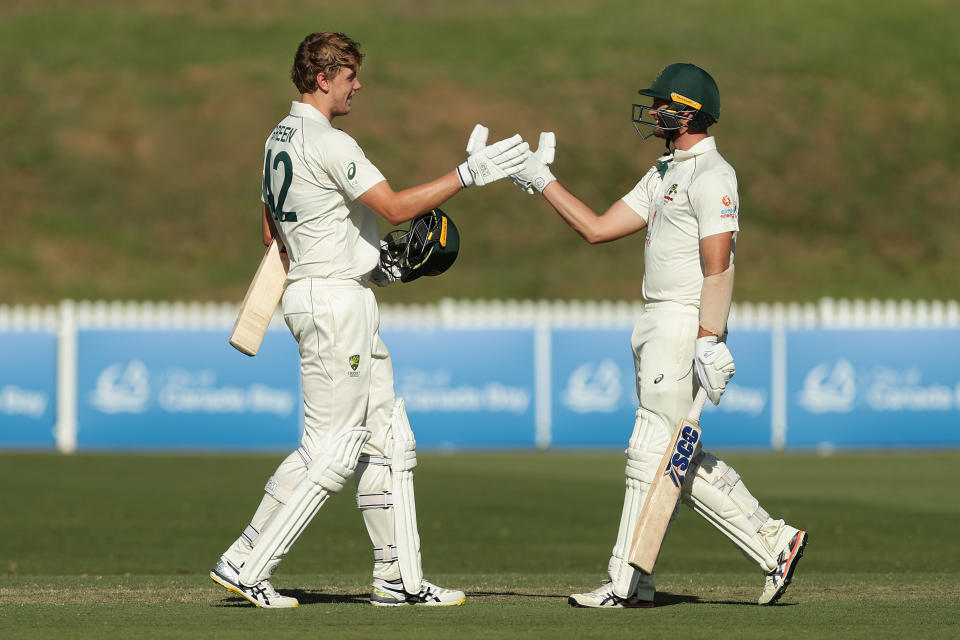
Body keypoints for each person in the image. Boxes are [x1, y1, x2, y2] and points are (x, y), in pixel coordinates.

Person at [209, 31, 528, 608]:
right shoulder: (330, 143)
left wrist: (369, 263)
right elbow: (396, 207)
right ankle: (247, 562)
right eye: (350, 74)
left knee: (389, 441)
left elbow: (270, 233)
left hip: (325, 290)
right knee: (332, 449)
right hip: (334, 304)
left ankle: (398, 579)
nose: (358, 84)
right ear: (323, 77)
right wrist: (469, 173)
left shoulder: (275, 138)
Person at [510, 63, 808, 607]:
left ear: (687, 112)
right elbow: (597, 229)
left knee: (651, 452)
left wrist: (709, 337)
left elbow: (718, 266)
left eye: (660, 105)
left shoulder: (713, 175)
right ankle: (765, 544)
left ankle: (627, 582)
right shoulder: (665, 170)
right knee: (673, 455)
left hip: (683, 321)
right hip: (656, 322)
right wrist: (540, 179)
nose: (650, 113)